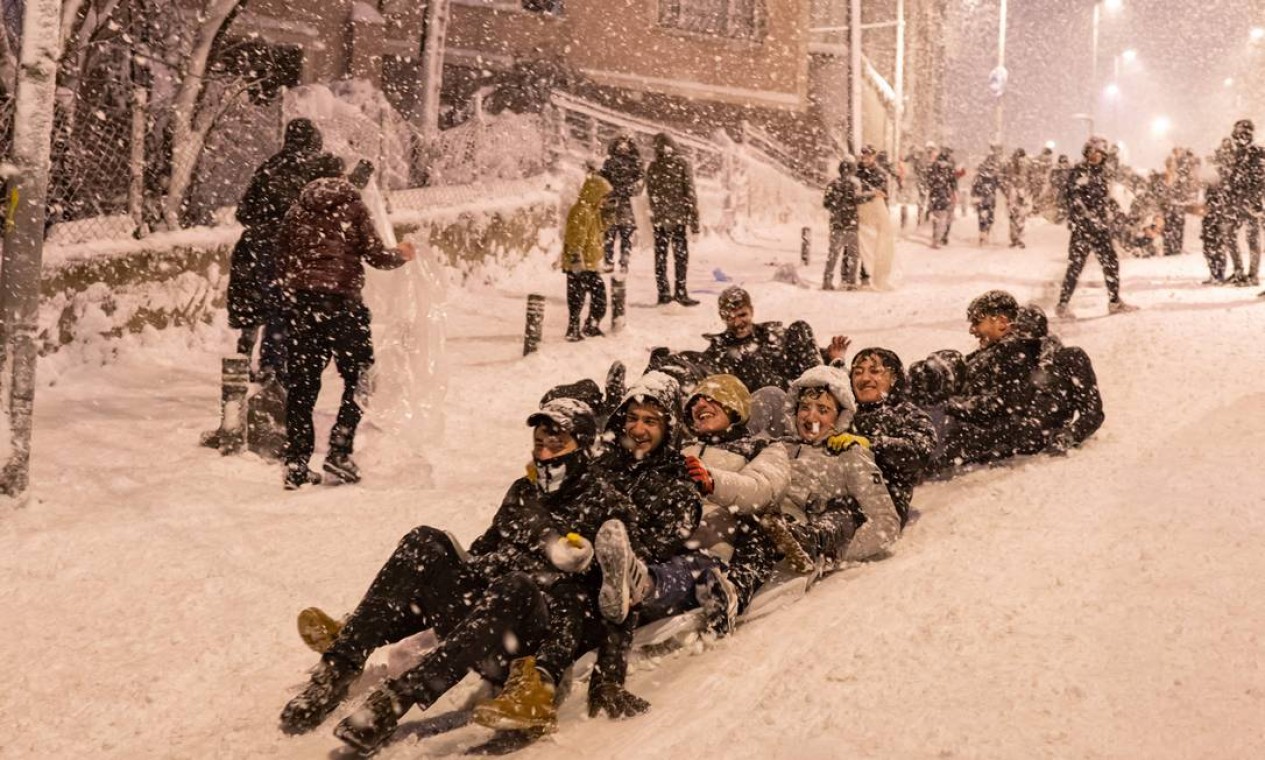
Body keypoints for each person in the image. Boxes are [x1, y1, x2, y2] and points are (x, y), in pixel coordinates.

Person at [278, 398, 631, 741]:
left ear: (583, 447)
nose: (544, 452)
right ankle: (337, 669)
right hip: (481, 619)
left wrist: (607, 680)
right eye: (539, 442)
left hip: (526, 640)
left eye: (558, 443)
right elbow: (482, 553)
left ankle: (392, 702)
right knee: (425, 541)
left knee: (517, 585)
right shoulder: (523, 491)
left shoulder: (606, 504)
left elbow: (612, 602)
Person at [475, 372, 706, 732]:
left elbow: (664, 542)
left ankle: (600, 669)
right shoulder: (601, 463)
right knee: (556, 573)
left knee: (631, 573)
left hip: (635, 574)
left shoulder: (677, 482)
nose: (638, 429)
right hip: (573, 565)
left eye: (650, 420)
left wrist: (611, 545)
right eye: (632, 418)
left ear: (670, 427)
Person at [274, 172, 416, 489]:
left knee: (302, 387)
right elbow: (375, 255)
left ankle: (297, 462)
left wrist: (298, 294)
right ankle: (339, 451)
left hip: (304, 309)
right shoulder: (352, 207)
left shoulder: (297, 211)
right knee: (360, 377)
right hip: (343, 307)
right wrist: (402, 254)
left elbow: (281, 260)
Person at [227, 118, 337, 382]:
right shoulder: (316, 170)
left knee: (259, 305)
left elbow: (245, 212)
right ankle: (273, 368)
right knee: (285, 308)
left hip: (256, 249)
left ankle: (244, 360)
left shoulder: (269, 168)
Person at [761, 365, 902, 572]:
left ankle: (806, 539)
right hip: (759, 526)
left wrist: (835, 553)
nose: (811, 418)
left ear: (840, 417)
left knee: (843, 510)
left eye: (823, 410)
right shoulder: (778, 447)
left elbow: (886, 523)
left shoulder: (849, 455)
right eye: (805, 407)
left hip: (803, 536)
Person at [827, 348, 936, 527]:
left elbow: (921, 449)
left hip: (879, 503)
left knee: (841, 512)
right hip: (827, 489)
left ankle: (812, 539)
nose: (865, 378)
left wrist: (870, 444)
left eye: (875, 371)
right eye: (858, 372)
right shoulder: (842, 410)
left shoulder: (905, 413)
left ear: (893, 378)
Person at [934, 290, 1041, 471]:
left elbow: (1003, 403)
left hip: (990, 434)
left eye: (977, 322)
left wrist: (951, 406)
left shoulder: (1013, 352)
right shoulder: (993, 350)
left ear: (1001, 322)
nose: (972, 330)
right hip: (975, 427)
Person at [1055, 137, 1137, 319]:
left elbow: (1103, 198)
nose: (1096, 155)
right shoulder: (1079, 171)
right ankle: (1062, 304)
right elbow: (1073, 198)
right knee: (1075, 266)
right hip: (1083, 228)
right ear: (1087, 152)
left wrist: (1114, 207)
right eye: (1093, 152)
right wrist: (1087, 216)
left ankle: (1114, 301)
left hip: (1099, 228)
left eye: (1100, 153)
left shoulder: (1102, 173)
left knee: (1111, 263)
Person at [1011, 305, 1104, 455]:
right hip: (1010, 435)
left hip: (1043, 435)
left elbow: (1093, 412)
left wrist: (1072, 434)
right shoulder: (1006, 359)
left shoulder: (1069, 359)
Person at [700, 286, 822, 393]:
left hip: (800, 387)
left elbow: (806, 351)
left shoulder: (770, 332)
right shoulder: (720, 348)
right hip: (769, 403)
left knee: (800, 327)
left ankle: (819, 387)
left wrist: (832, 355)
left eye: (742, 315)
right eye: (730, 318)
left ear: (751, 311)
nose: (737, 323)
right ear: (723, 317)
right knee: (750, 359)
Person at [645, 133, 701, 306]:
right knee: (680, 256)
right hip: (678, 218)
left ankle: (663, 293)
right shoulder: (682, 164)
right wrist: (694, 222)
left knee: (660, 256)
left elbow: (650, 193)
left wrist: (657, 212)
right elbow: (690, 194)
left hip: (660, 219)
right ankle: (681, 292)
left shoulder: (653, 166)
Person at [561, 171, 612, 341]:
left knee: (590, 296)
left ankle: (587, 325)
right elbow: (575, 237)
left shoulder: (592, 210)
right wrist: (576, 261)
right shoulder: (582, 211)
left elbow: (598, 231)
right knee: (581, 297)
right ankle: (578, 327)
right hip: (580, 264)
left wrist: (609, 215)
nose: (604, 201)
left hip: (588, 263)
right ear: (595, 194)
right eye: (603, 197)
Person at [1220, 119, 1265, 286]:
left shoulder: (1257, 151)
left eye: (1241, 132)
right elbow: (1233, 177)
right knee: (1229, 234)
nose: (1238, 136)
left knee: (1252, 239)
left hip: (1249, 202)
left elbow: (1260, 179)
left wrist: (1253, 200)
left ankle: (1252, 275)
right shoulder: (1238, 151)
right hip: (1236, 201)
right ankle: (1239, 271)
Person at [822, 156, 877, 290]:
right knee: (852, 255)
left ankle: (827, 281)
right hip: (851, 224)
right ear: (852, 170)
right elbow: (858, 199)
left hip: (836, 224)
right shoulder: (854, 184)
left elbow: (826, 203)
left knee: (833, 254)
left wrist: (837, 207)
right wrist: (872, 195)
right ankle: (851, 283)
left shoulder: (832, 184)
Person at [600, 135, 644, 274]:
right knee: (610, 234)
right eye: (620, 144)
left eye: (625, 145)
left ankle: (623, 262)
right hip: (615, 202)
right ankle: (610, 261)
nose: (622, 147)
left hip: (625, 203)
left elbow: (640, 184)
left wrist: (620, 191)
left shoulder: (635, 163)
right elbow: (603, 181)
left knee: (624, 234)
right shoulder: (610, 162)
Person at [856, 145, 895, 289]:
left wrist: (884, 212)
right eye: (863, 155)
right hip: (861, 213)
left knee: (874, 245)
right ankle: (859, 276)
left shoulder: (880, 173)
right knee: (861, 245)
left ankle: (871, 276)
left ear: (873, 157)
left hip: (875, 214)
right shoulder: (856, 172)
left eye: (868, 156)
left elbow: (883, 195)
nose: (865, 158)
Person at [927, 148, 958, 248]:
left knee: (940, 218)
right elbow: (953, 182)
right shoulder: (944, 169)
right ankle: (938, 238)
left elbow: (929, 181)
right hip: (940, 196)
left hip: (939, 196)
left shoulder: (937, 168)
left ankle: (937, 238)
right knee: (940, 219)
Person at [1003, 148, 1030, 249]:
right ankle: (1016, 238)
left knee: (1018, 217)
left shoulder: (1014, 164)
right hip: (1015, 193)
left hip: (1017, 193)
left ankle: (1016, 238)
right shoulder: (1011, 165)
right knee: (1016, 217)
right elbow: (1006, 178)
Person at [971, 154, 1001, 245]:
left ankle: (983, 234)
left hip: (984, 198)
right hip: (988, 198)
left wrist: (974, 195)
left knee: (983, 217)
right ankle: (984, 234)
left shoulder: (981, 174)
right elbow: (998, 185)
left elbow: (974, 186)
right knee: (988, 218)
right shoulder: (991, 175)